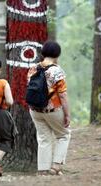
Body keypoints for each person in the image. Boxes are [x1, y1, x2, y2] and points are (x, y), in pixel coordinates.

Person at [27, 41, 71, 175]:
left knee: (43, 139)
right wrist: (67, 114)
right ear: (57, 54)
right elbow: (62, 95)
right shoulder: (57, 71)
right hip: (53, 110)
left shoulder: (33, 68)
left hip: (34, 110)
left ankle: (43, 169)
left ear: (42, 53)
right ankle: (56, 166)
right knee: (63, 135)